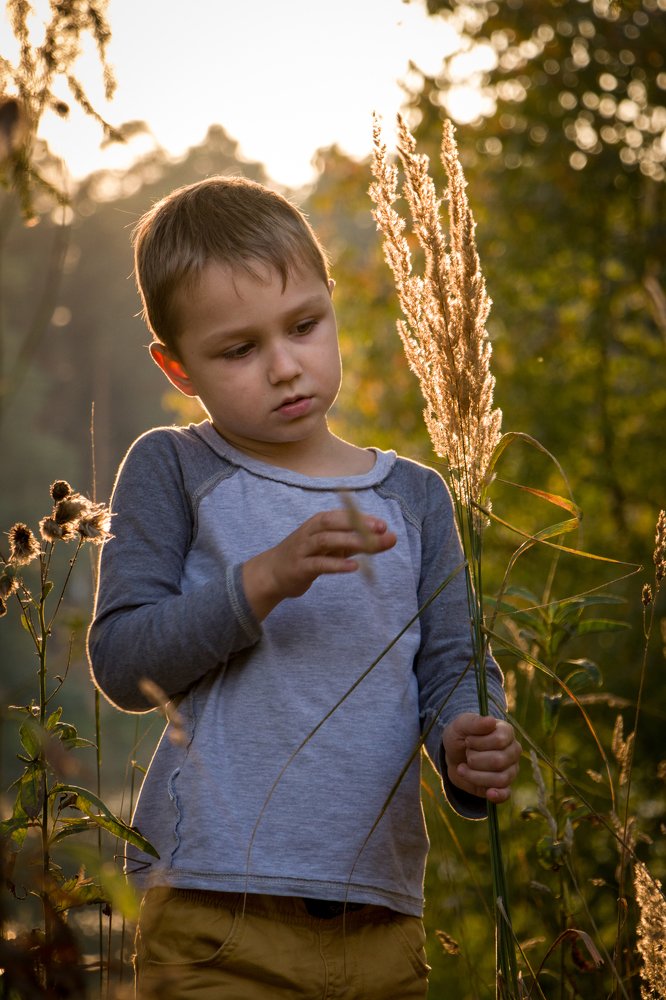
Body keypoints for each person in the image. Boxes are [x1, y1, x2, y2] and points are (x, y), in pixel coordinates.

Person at [88, 175, 521, 1000]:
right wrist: (261, 580)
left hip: (381, 922)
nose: (285, 367)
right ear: (178, 367)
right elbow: (120, 660)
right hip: (213, 911)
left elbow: (453, 665)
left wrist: (470, 735)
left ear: (332, 306)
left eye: (304, 326)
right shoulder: (174, 467)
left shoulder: (415, 495)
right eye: (239, 349)